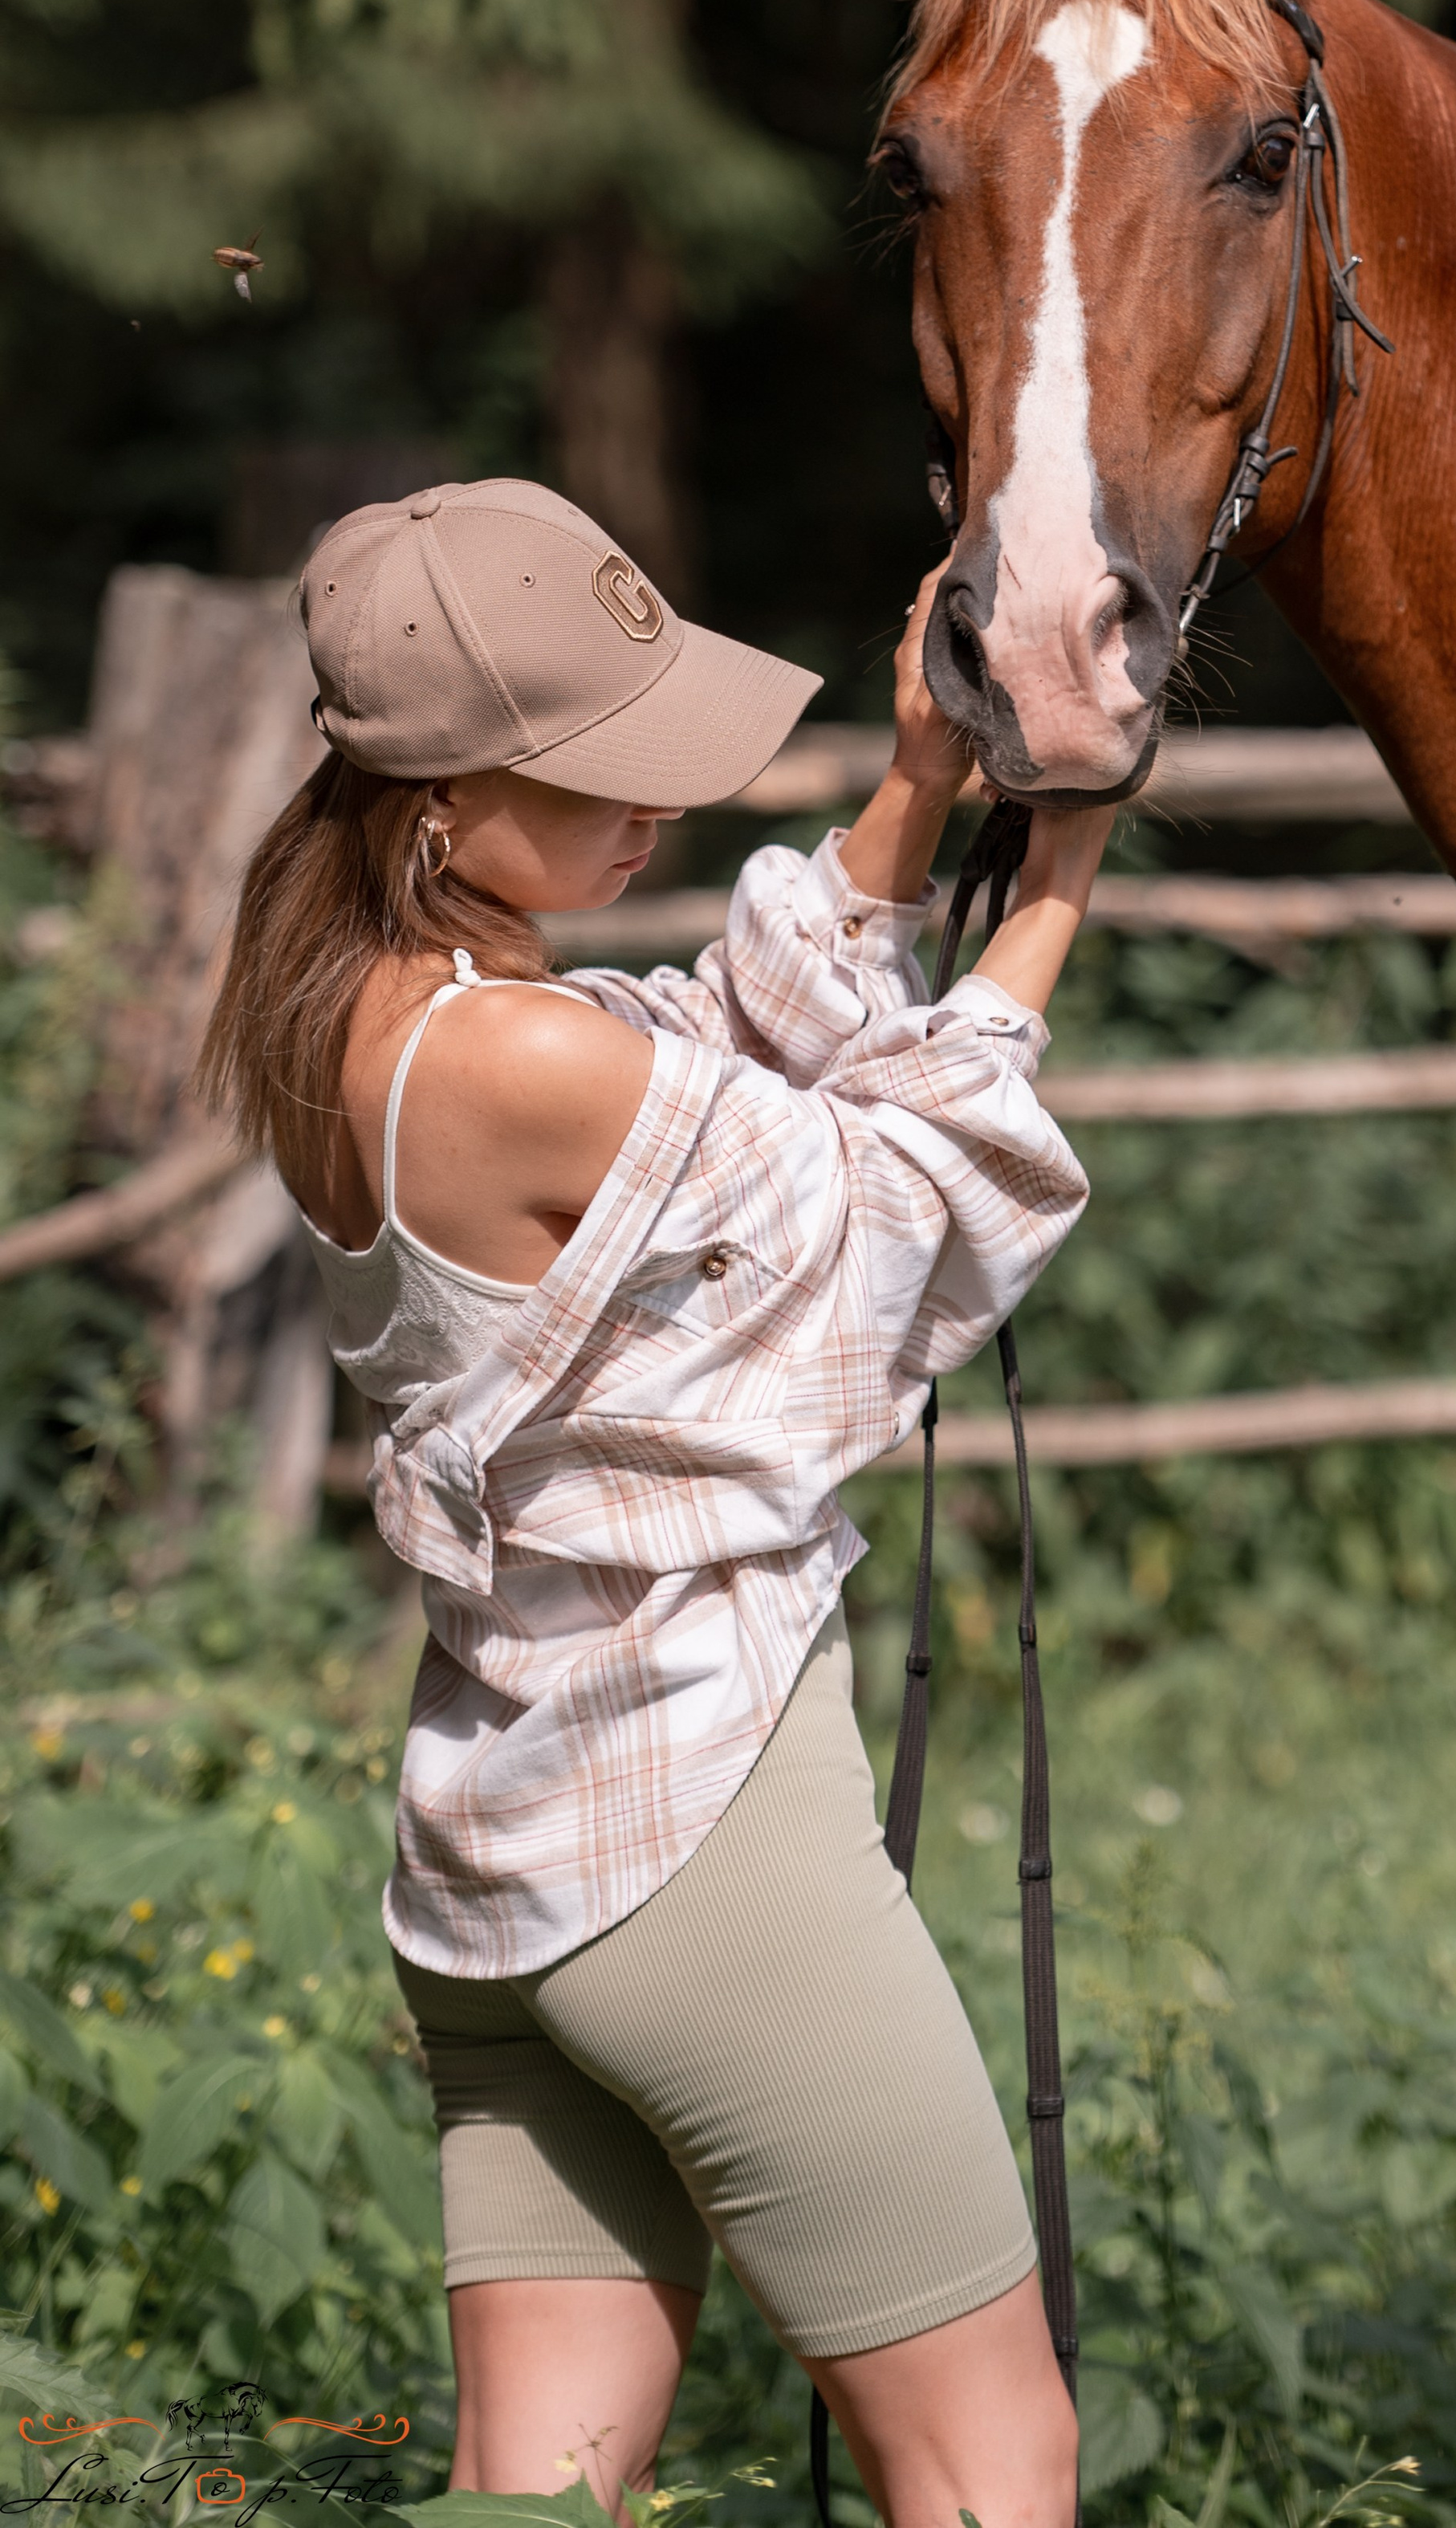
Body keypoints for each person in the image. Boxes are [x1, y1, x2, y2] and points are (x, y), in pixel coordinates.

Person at [197, 477, 1115, 2528]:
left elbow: (695, 1059)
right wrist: (1061, 864)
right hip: (701, 1848)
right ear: (438, 796)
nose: (657, 815)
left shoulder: (366, 1023)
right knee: (993, 2457)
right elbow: (890, 1212)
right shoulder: (526, 1063)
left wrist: (908, 788)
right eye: (599, 774)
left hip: (502, 1854)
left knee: (540, 2498)